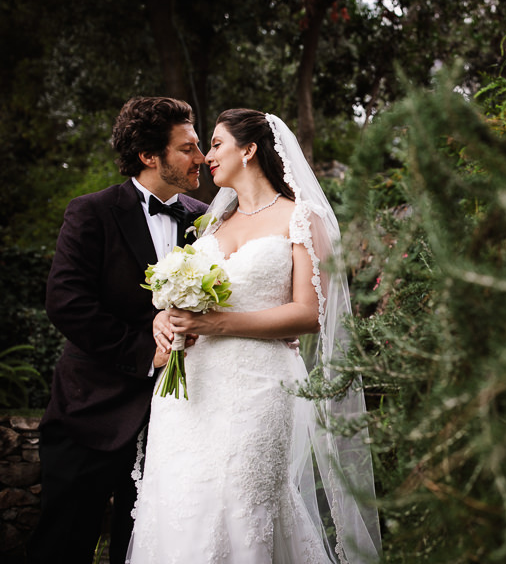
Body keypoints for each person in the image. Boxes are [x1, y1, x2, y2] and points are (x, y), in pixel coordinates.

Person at [127, 109, 381, 563]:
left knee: (243, 507)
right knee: (181, 505)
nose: (206, 157)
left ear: (249, 150)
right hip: (190, 393)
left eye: (217, 144)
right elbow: (186, 303)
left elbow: (310, 312)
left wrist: (214, 324)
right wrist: (163, 319)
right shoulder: (209, 224)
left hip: (259, 387)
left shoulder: (302, 218)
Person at [27, 97, 208, 564]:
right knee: (63, 545)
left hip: (175, 422)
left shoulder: (205, 219)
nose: (201, 158)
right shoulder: (91, 212)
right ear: (150, 156)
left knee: (147, 549)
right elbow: (66, 303)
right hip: (92, 411)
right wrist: (146, 352)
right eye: (187, 148)